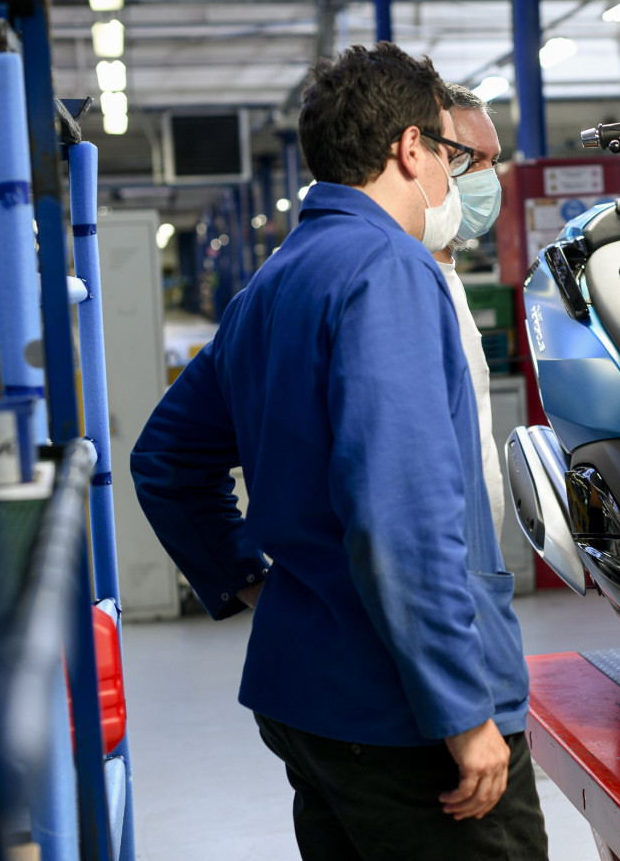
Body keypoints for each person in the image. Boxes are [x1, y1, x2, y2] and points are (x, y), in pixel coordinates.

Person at [130, 43, 548, 861]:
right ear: (411, 148)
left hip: (308, 702)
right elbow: (401, 514)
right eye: (451, 153)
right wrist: (463, 712)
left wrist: (247, 576)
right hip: (404, 715)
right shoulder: (388, 270)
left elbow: (167, 459)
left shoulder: (273, 284)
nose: (457, 177)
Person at [433, 83, 505, 538]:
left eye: (492, 161)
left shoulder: (443, 277)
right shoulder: (392, 287)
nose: (487, 177)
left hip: (470, 580)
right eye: (470, 159)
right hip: (439, 590)